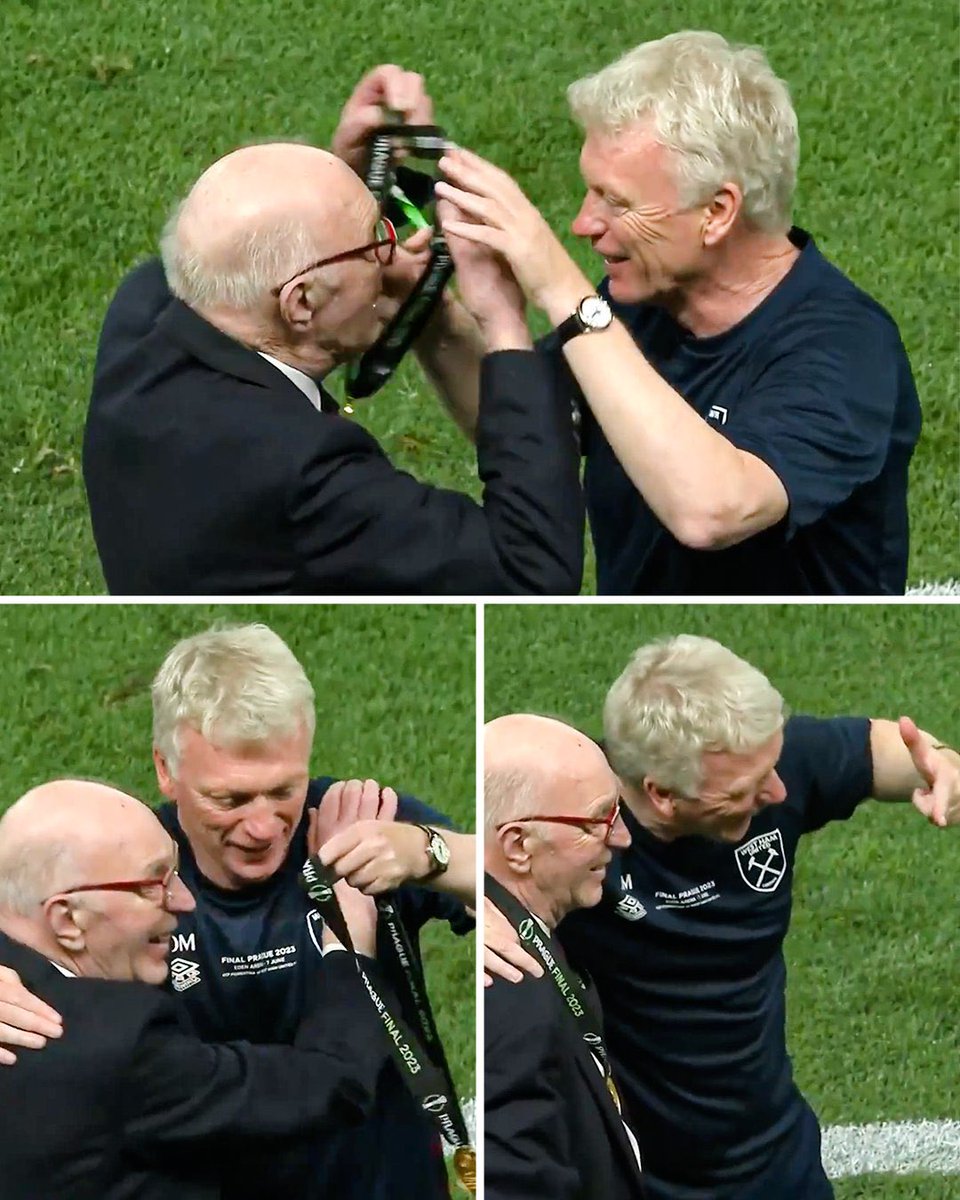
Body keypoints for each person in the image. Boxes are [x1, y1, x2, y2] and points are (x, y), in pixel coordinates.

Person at [430, 31, 921, 595]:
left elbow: (712, 509)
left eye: (616, 201)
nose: (584, 224)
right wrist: (440, 317)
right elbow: (528, 431)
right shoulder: (640, 306)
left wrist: (563, 292)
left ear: (717, 212)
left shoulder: (846, 348)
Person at [0, 622, 475, 1200]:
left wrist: (429, 852)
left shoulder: (360, 829)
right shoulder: (122, 876)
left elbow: (521, 884)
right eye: (230, 799)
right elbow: (29, 907)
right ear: (166, 770)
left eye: (283, 791)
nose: (262, 826)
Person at [485, 635, 960, 1200]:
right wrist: (474, 896)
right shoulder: (577, 843)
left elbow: (879, 747)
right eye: (745, 789)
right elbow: (489, 855)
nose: (778, 791)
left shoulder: (761, 761)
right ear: (662, 794)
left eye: (773, 768)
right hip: (644, 1180)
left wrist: (941, 766)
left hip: (780, 1165)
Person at [83, 66, 583, 596]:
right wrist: (503, 321)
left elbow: (242, 246)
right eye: (374, 241)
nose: (391, 251)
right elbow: (531, 571)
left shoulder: (139, 319)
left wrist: (340, 182)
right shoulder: (305, 474)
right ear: (301, 303)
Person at [0, 779, 389, 1200]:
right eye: (153, 884)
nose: (184, 901)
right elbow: (333, 1082)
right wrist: (349, 933)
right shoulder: (122, 1046)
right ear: (67, 920)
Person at [484, 714, 642, 1200]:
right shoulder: (513, 997)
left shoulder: (531, 936)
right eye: (598, 821)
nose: (622, 837)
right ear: (518, 846)